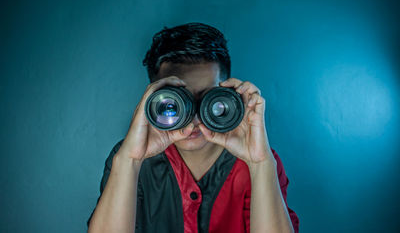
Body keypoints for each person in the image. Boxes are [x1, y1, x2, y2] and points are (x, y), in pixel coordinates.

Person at [87, 22, 300, 233]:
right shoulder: (129, 157)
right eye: (177, 103)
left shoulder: (257, 159)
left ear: (228, 94)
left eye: (209, 101)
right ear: (153, 99)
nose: (194, 118)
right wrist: (129, 161)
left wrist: (260, 164)